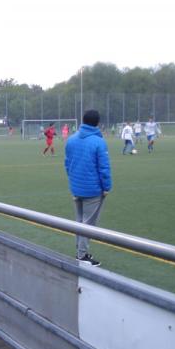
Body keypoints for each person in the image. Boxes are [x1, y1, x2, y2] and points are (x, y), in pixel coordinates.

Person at [64, 109, 112, 266]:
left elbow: (67, 164)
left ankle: (79, 251)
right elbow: (104, 168)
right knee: (88, 224)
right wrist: (107, 187)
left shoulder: (71, 139)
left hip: (76, 187)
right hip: (92, 190)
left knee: (79, 221)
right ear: (97, 123)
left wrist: (73, 181)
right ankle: (82, 255)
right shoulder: (98, 142)